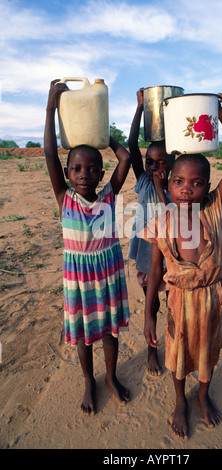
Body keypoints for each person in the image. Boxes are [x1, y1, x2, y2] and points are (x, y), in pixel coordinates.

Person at [140, 93, 222, 439]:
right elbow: (155, 272)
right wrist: (148, 312)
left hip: (213, 301)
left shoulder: (213, 209)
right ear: (168, 185)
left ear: (207, 189)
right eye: (179, 182)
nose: (187, 190)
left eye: (197, 183)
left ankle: (203, 393)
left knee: (209, 351)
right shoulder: (163, 221)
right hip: (180, 303)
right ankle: (180, 400)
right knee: (179, 353)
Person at [44, 79, 131, 414]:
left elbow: (124, 157)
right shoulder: (64, 198)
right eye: (77, 168)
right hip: (79, 279)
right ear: (67, 173)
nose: (85, 173)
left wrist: (100, 130)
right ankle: (88, 381)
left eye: (92, 168)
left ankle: (110, 376)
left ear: (101, 173)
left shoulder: (109, 196)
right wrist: (52, 107)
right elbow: (51, 152)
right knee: (83, 335)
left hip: (107, 275)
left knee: (109, 332)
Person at [128, 88, 172, 376]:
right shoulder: (143, 181)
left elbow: (170, 214)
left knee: (176, 308)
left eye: (161, 163)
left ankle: (176, 345)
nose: (154, 167)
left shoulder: (177, 187)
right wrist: (140, 108)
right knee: (152, 303)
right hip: (147, 256)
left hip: (173, 257)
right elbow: (132, 144)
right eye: (149, 162)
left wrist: (161, 184)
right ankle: (152, 350)